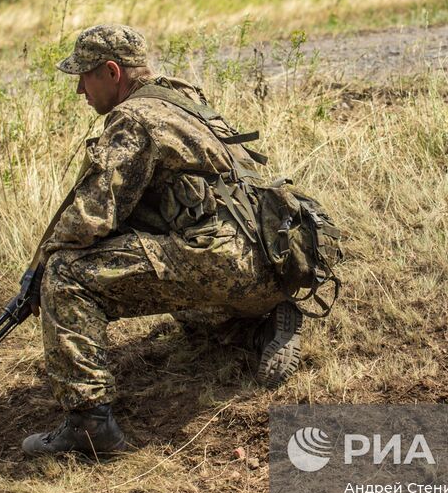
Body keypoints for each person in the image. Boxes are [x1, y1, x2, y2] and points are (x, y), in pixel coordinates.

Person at [20, 24, 304, 457]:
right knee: (157, 256)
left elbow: (91, 216)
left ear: (113, 72)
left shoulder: (132, 118)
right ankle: (257, 326)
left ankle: (89, 425)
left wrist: (41, 263)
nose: (79, 89)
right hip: (268, 258)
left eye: (84, 75)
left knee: (66, 275)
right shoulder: (180, 97)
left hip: (224, 260)